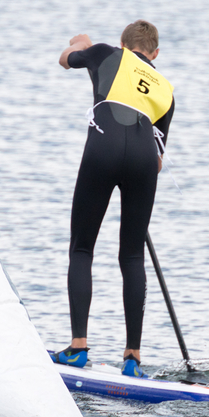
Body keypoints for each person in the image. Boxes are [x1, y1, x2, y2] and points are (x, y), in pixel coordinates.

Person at [50, 20, 175, 378]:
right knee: (132, 255)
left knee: (82, 249)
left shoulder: (107, 54)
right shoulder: (166, 88)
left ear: (124, 43)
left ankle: (77, 348)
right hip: (143, 160)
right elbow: (159, 158)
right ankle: (133, 357)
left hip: (101, 149)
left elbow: (65, 59)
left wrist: (82, 44)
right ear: (154, 54)